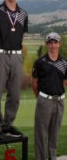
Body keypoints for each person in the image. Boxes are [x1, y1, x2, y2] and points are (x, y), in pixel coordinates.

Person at [0, 0, 28, 137]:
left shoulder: (23, 14)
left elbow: (22, 37)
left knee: (15, 93)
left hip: (17, 55)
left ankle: (8, 125)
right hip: (0, 54)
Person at [32, 32, 67, 160]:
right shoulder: (40, 62)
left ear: (59, 44)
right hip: (44, 100)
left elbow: (64, 82)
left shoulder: (64, 63)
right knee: (41, 134)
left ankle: (52, 157)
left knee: (54, 133)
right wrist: (42, 98)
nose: (53, 45)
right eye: (50, 43)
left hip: (59, 102)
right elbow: (34, 84)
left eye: (55, 42)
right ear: (47, 44)